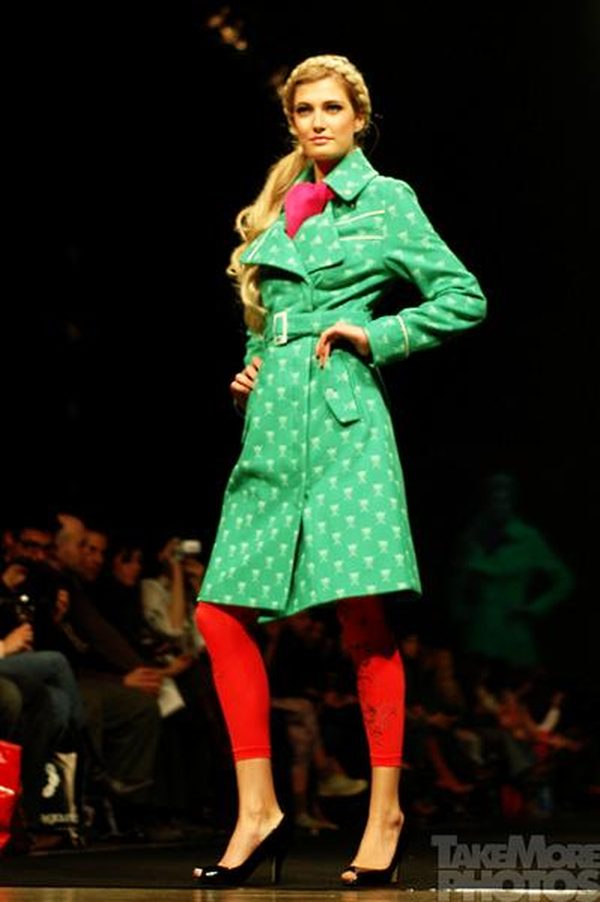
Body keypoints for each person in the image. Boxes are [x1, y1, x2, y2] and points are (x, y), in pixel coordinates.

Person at [193, 53, 486, 887]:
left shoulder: (387, 200)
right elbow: (264, 319)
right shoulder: (278, 207)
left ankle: (384, 811)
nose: (318, 121)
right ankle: (259, 809)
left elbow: (463, 296)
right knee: (217, 613)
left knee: (362, 620)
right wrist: (251, 366)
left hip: (346, 421)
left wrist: (377, 334)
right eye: (305, 110)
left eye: (332, 108)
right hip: (273, 425)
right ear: (291, 121)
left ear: (358, 118)